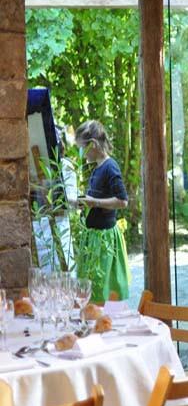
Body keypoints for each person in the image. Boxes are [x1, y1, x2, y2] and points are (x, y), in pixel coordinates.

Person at [74, 120, 131, 303]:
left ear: (94, 144)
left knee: (102, 292)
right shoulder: (97, 169)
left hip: (105, 241)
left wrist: (95, 202)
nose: (81, 153)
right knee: (90, 291)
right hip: (93, 239)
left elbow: (122, 201)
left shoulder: (110, 166)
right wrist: (83, 203)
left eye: (82, 147)